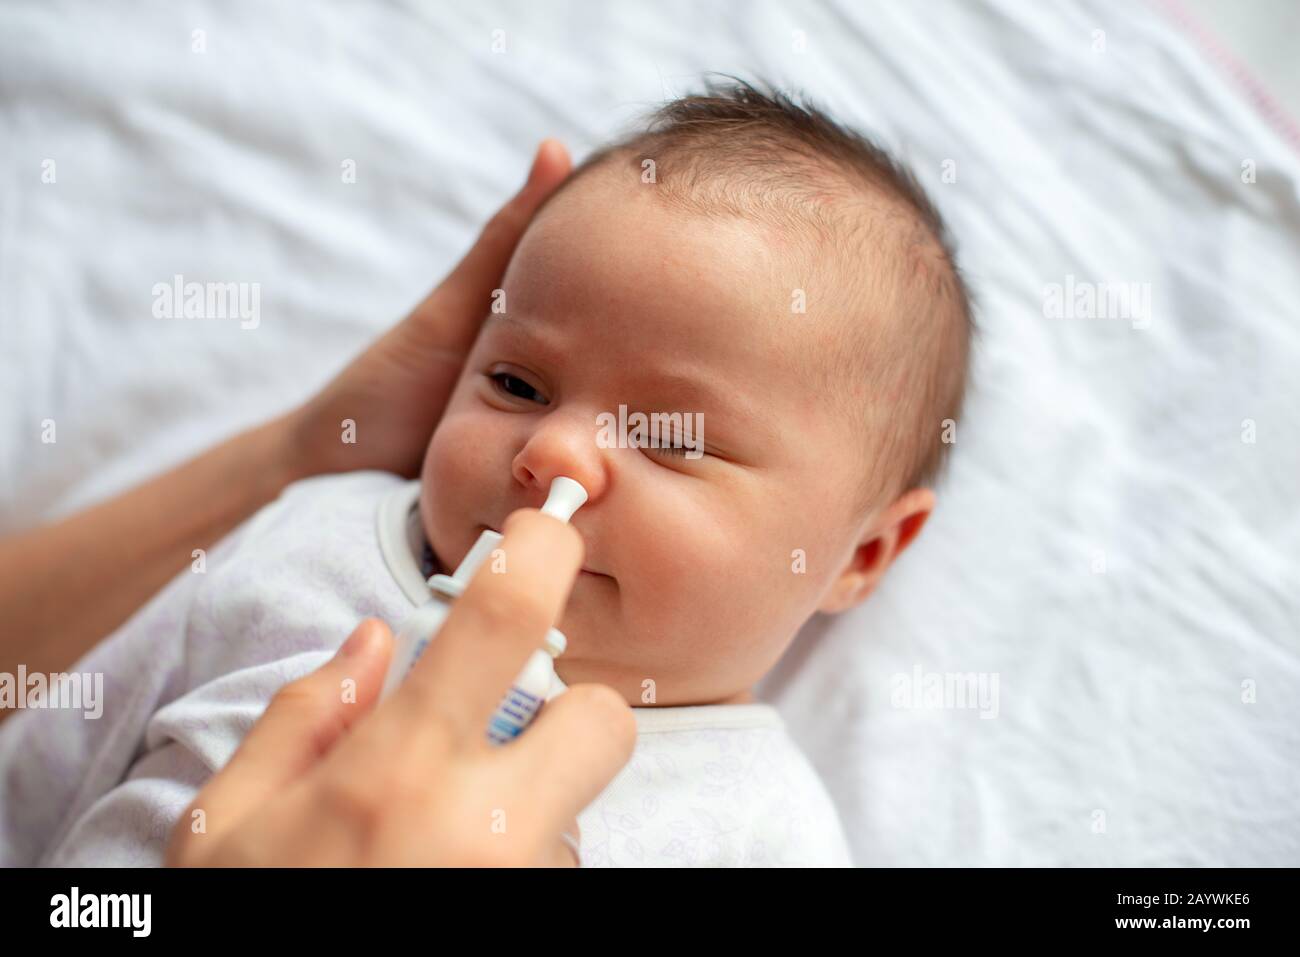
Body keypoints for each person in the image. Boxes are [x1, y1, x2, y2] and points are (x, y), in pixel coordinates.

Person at [0, 140, 636, 866]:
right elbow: (64, 748)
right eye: (517, 386)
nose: (555, 452)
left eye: (672, 440)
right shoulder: (314, 532)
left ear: (804, 567)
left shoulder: (778, 827)